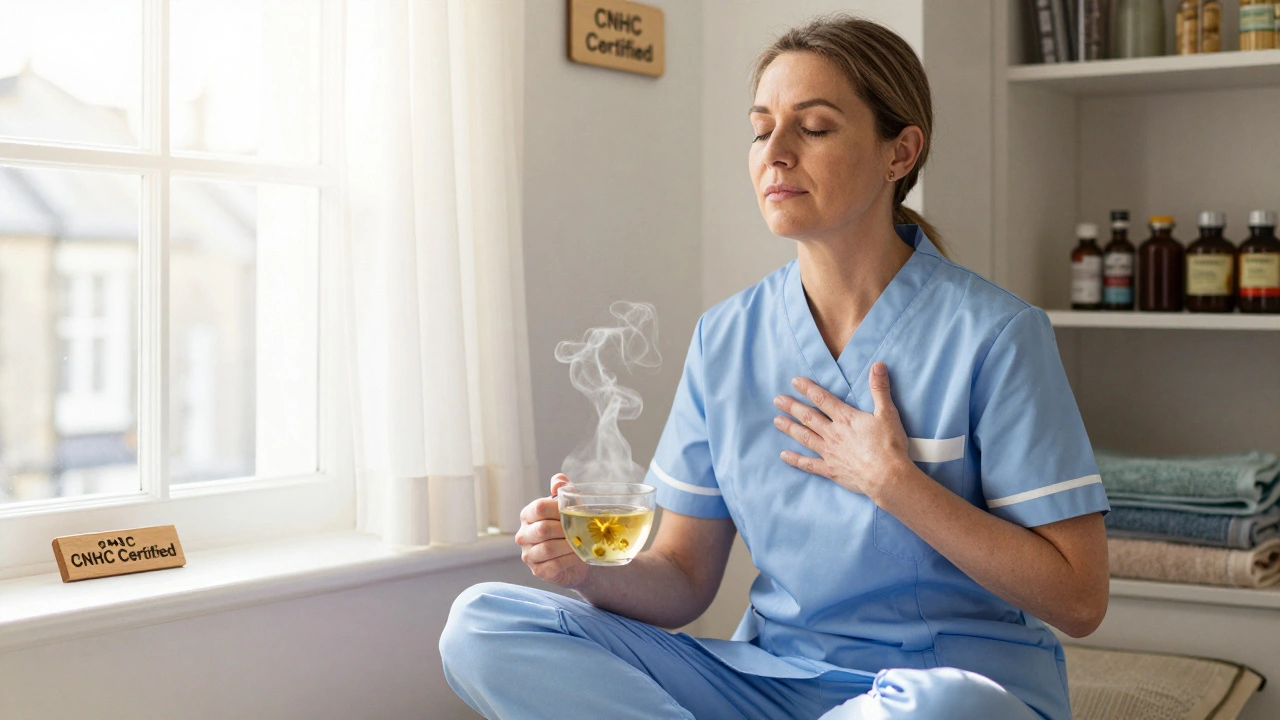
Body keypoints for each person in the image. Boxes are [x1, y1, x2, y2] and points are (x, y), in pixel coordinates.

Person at [440, 14, 1109, 720]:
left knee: (943, 709)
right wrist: (589, 573)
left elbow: (1079, 598)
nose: (775, 154)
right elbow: (684, 578)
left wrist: (896, 484)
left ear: (900, 153)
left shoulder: (996, 335)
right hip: (773, 679)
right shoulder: (725, 339)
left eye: (813, 128)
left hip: (950, 687)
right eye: (762, 129)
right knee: (484, 622)